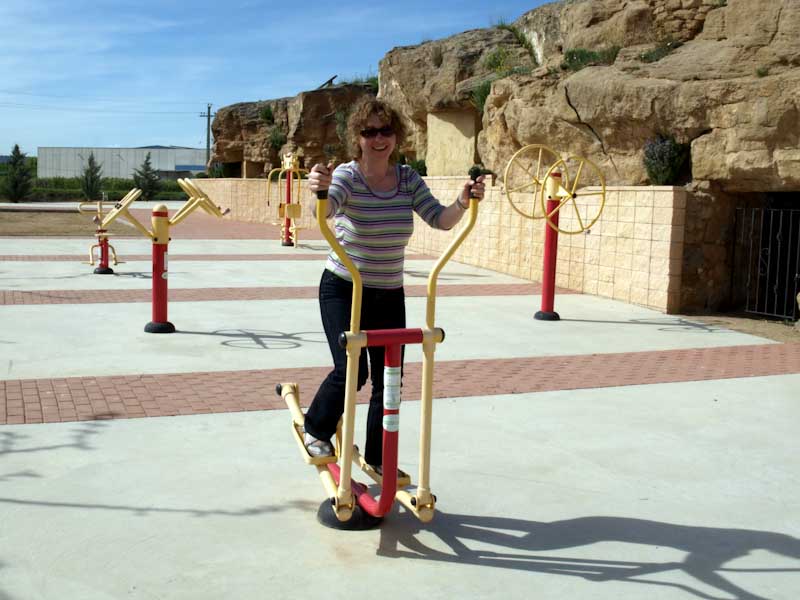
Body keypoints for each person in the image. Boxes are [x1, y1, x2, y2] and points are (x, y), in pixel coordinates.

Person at [303, 98, 485, 470]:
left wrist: (463, 201)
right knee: (352, 371)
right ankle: (316, 429)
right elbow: (326, 210)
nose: (378, 139)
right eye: (369, 132)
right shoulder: (347, 176)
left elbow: (440, 219)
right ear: (357, 138)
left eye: (385, 130)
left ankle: (378, 456)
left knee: (390, 378)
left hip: (388, 292)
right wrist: (318, 191)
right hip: (344, 288)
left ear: (396, 135)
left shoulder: (406, 179)